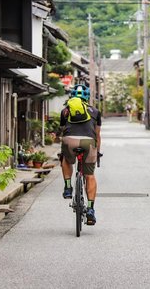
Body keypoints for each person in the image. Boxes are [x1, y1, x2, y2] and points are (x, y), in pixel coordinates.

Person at [60, 84, 101, 225]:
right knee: (89, 176)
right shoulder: (95, 111)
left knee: (65, 159)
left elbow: (63, 130)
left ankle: (67, 187)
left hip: (69, 141)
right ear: (87, 97)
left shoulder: (65, 111)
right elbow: (97, 135)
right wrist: (98, 151)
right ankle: (90, 209)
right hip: (88, 143)